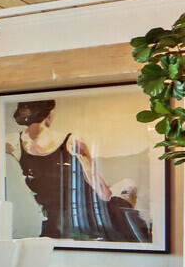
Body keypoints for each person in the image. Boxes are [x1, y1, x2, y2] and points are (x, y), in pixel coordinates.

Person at [8, 99, 149, 244]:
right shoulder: (71, 140)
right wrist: (111, 200)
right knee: (128, 185)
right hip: (85, 211)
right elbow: (97, 185)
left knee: (124, 191)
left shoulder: (13, 143)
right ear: (49, 114)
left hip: (49, 214)